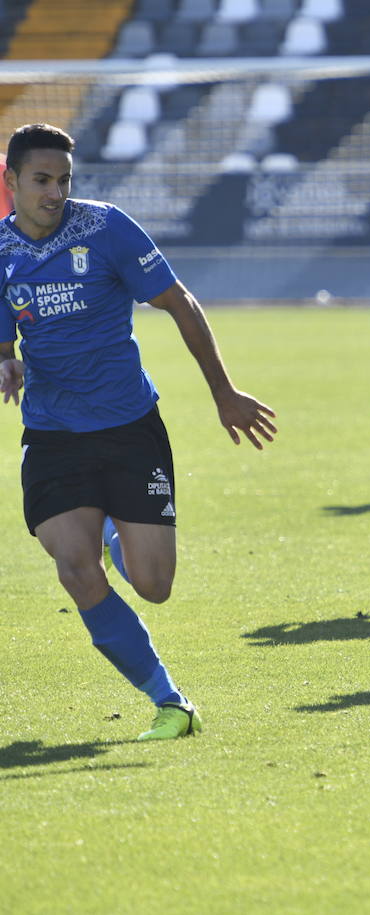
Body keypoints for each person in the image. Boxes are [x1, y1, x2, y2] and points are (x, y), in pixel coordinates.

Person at [0, 123, 276, 740]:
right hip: (53, 435)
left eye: (64, 180)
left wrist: (224, 393)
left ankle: (108, 532)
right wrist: (5, 362)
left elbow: (178, 301)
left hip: (129, 428)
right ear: (11, 181)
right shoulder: (0, 252)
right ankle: (170, 702)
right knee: (74, 568)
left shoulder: (106, 228)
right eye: (42, 180)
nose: (55, 192)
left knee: (155, 585)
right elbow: (2, 342)